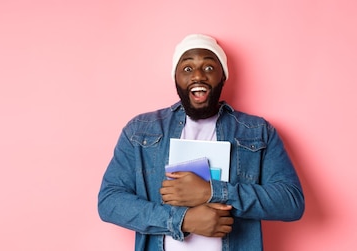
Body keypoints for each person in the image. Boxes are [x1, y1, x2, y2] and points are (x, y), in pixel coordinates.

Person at [97, 34, 305, 251]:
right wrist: (182, 220)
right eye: (187, 68)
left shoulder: (258, 131)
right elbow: (110, 202)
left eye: (209, 68)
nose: (198, 75)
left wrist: (211, 192)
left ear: (223, 76)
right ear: (175, 77)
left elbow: (291, 202)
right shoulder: (141, 130)